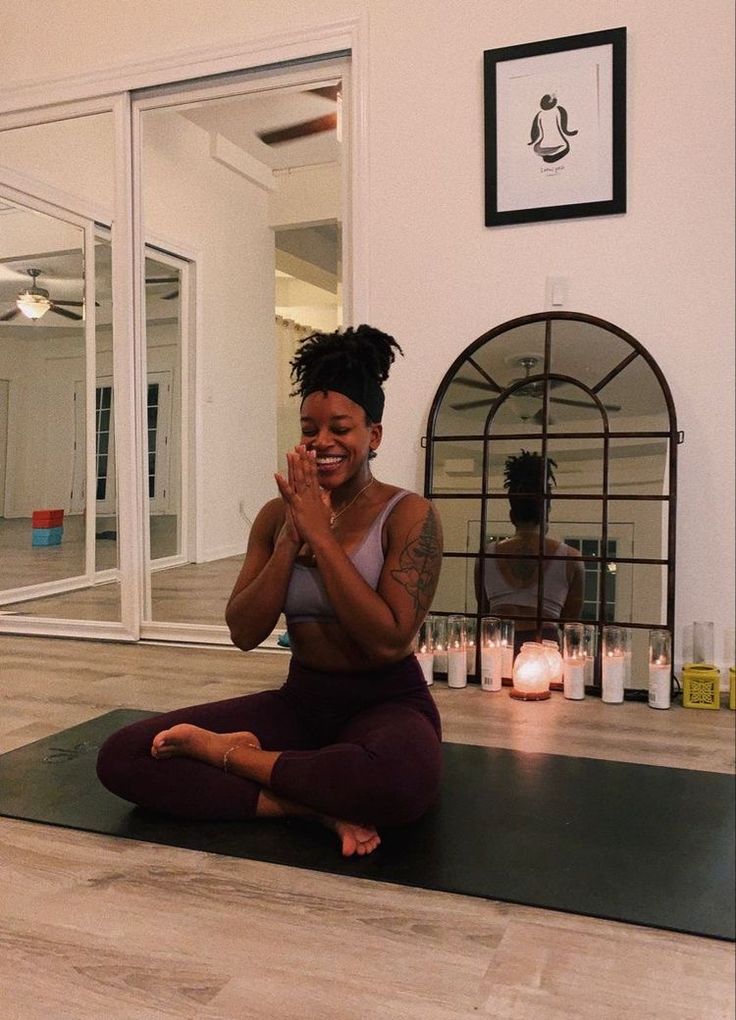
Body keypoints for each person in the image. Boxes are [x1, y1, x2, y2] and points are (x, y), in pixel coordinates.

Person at [96, 325, 444, 857]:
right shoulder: (276, 516)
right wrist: (289, 540)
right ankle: (308, 804)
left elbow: (390, 641)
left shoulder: (411, 515)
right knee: (125, 756)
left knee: (402, 779)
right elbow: (243, 631)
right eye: (310, 428)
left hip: (387, 701)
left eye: (341, 428)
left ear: (373, 435)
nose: (322, 442)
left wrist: (322, 539)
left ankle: (230, 758)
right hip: (301, 702)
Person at [475, 450, 584, 651]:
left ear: (511, 514)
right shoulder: (571, 559)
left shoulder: (486, 556)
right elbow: (571, 627)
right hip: (545, 650)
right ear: (547, 512)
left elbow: (483, 615)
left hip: (497, 648)